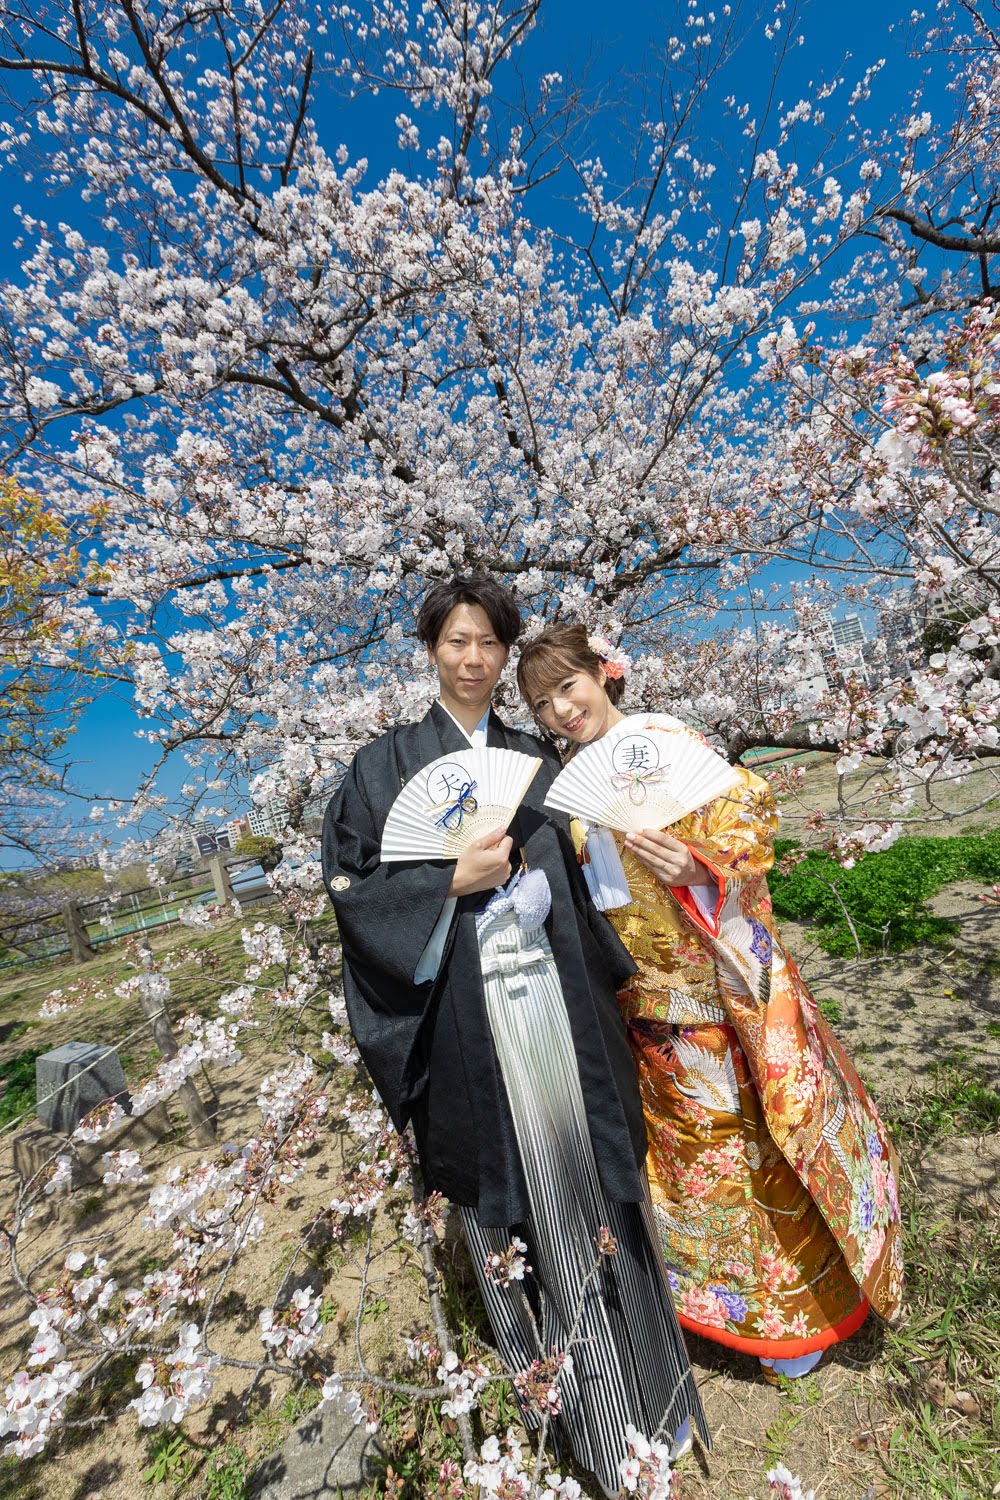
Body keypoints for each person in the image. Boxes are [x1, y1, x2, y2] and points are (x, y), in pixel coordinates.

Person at [321, 576, 708, 1494]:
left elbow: (596, 879)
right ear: (431, 649)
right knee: (519, 1205)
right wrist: (444, 884)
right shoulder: (379, 769)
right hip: (466, 1019)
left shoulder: (536, 756)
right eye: (456, 641)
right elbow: (351, 894)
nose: (473, 658)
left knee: (595, 1184)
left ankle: (659, 1403)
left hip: (559, 1006)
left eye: (489, 642)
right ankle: (586, 1427)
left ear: (504, 652)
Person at [516, 623, 904, 1384]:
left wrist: (698, 864)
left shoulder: (665, 741)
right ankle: (729, 1311)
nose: (560, 710)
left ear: (604, 672)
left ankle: (800, 1311)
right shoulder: (573, 787)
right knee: (694, 1165)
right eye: (541, 703)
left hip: (714, 994)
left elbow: (751, 819)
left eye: (568, 686)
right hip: (643, 1004)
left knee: (754, 1148)